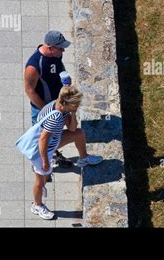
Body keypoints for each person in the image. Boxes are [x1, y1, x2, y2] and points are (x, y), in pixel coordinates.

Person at [30, 85, 103, 220]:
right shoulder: (55, 117)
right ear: (66, 103)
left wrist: (73, 113)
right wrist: (46, 160)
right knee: (39, 181)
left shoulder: (60, 107)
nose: (78, 106)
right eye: (75, 105)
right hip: (40, 150)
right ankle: (37, 205)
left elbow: (73, 128)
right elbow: (42, 141)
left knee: (79, 134)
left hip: (53, 142)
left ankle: (83, 158)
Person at [24, 30, 73, 168]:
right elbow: (29, 90)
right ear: (51, 48)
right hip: (43, 108)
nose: (63, 50)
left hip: (56, 103)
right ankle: (39, 163)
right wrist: (46, 109)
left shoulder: (55, 55)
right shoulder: (34, 66)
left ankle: (53, 154)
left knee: (54, 131)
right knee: (42, 135)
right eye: (61, 48)